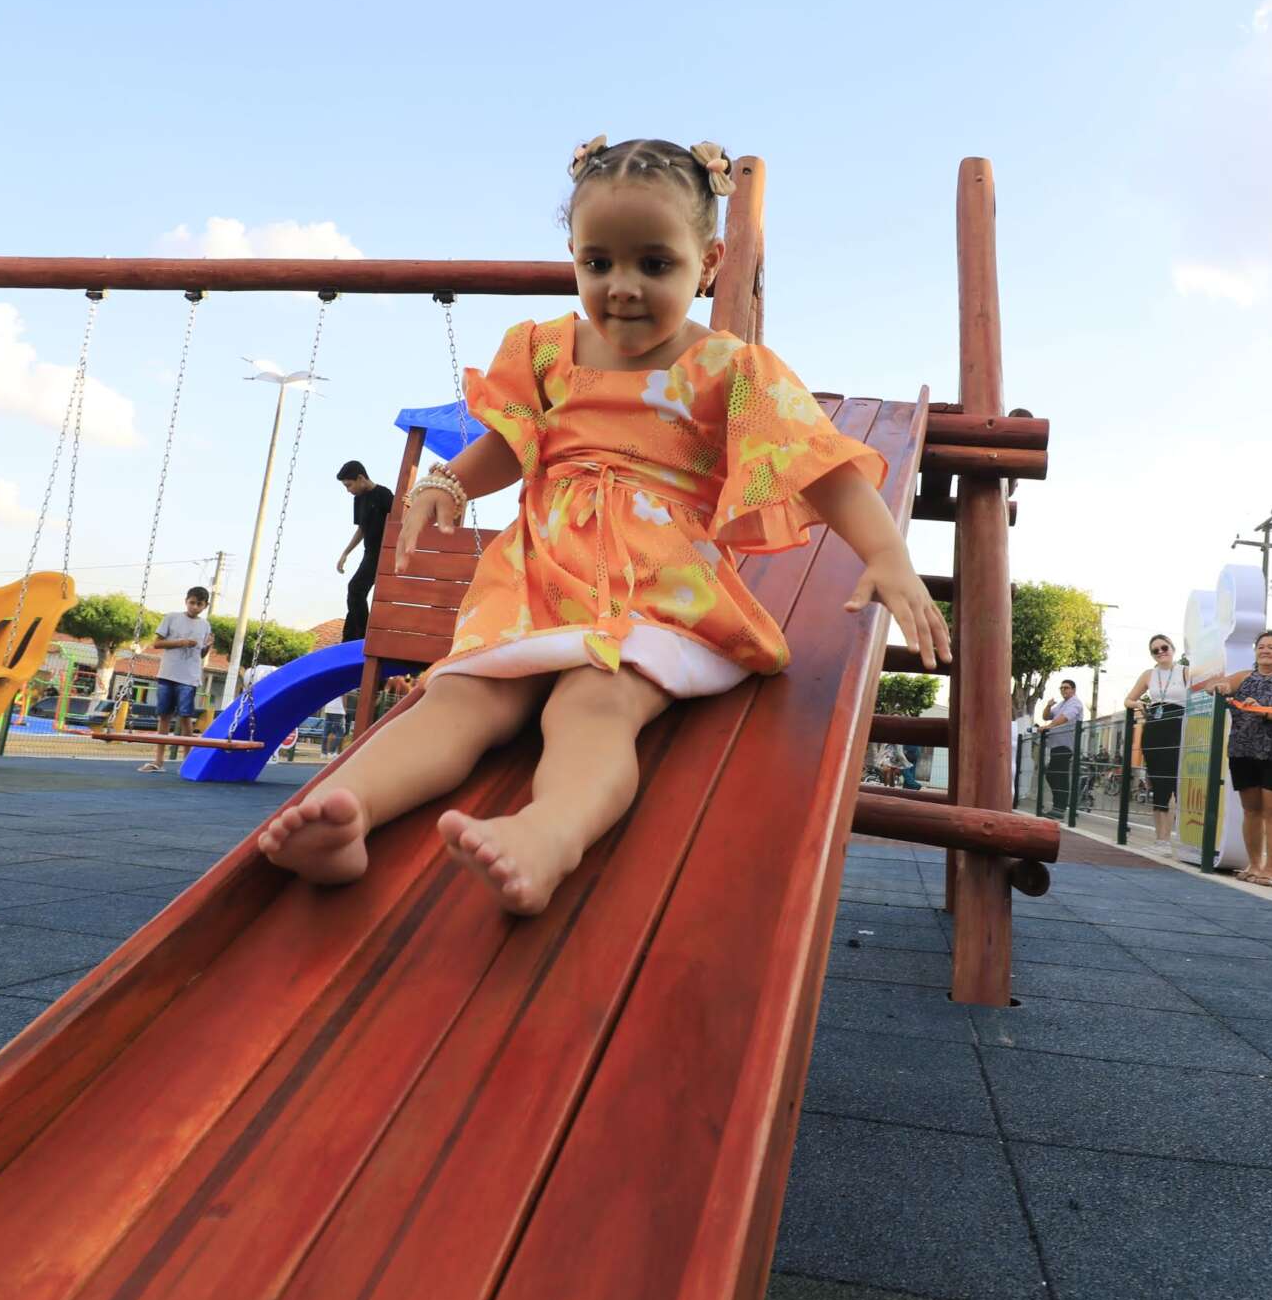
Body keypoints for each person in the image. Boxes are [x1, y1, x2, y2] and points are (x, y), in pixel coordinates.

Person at [253, 136, 949, 914]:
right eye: (599, 263)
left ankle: (549, 832)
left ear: (708, 261)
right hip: (536, 578)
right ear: (575, 257)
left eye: (655, 264)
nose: (621, 287)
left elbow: (817, 468)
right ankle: (345, 812)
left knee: (591, 705)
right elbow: (514, 445)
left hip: (651, 589)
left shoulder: (730, 369)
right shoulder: (546, 350)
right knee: (457, 699)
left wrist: (888, 555)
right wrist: (447, 481)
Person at [1200, 630, 1272, 886]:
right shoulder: (1244, 677)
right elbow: (1212, 686)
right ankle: (1253, 865)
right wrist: (1218, 687)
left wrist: (1264, 712)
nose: (1264, 650)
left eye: (1271, 647)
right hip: (1243, 752)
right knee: (1251, 811)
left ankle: (1271, 870)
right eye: (1261, 646)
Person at [1124, 634, 1190, 842]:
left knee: (1172, 784)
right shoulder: (1148, 675)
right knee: (1158, 784)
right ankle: (1159, 838)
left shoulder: (1185, 672)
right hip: (1154, 730)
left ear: (1172, 648)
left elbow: (1201, 694)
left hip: (1176, 729)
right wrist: (1139, 705)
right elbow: (1128, 699)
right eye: (1156, 650)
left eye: (1164, 647)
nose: (1161, 652)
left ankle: (1170, 838)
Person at [141, 586, 211, 773]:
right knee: (164, 716)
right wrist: (180, 643)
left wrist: (208, 647)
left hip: (189, 677)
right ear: (186, 601)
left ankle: (187, 762)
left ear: (205, 606)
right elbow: (157, 643)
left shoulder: (205, 625)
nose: (195, 607)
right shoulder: (172, 617)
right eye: (192, 602)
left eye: (199, 604)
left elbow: (201, 653)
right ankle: (158, 761)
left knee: (186, 718)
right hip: (167, 674)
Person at [335, 461, 396, 643]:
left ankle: (362, 635)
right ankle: (349, 638)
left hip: (385, 551)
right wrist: (346, 553)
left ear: (360, 478)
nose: (348, 490)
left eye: (349, 485)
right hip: (369, 552)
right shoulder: (358, 499)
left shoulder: (383, 494)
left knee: (355, 589)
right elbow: (362, 528)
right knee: (356, 594)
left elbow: (400, 519)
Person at [1038, 678, 1083, 810]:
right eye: (1061, 688)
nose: (1063, 690)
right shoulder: (1062, 704)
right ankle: (1059, 806)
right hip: (1056, 746)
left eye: (1066, 687)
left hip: (1065, 746)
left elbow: (1065, 718)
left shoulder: (1075, 703)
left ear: (1073, 690)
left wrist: (1049, 726)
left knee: (1059, 776)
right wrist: (1048, 705)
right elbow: (1046, 716)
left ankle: (1060, 808)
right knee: (1053, 775)